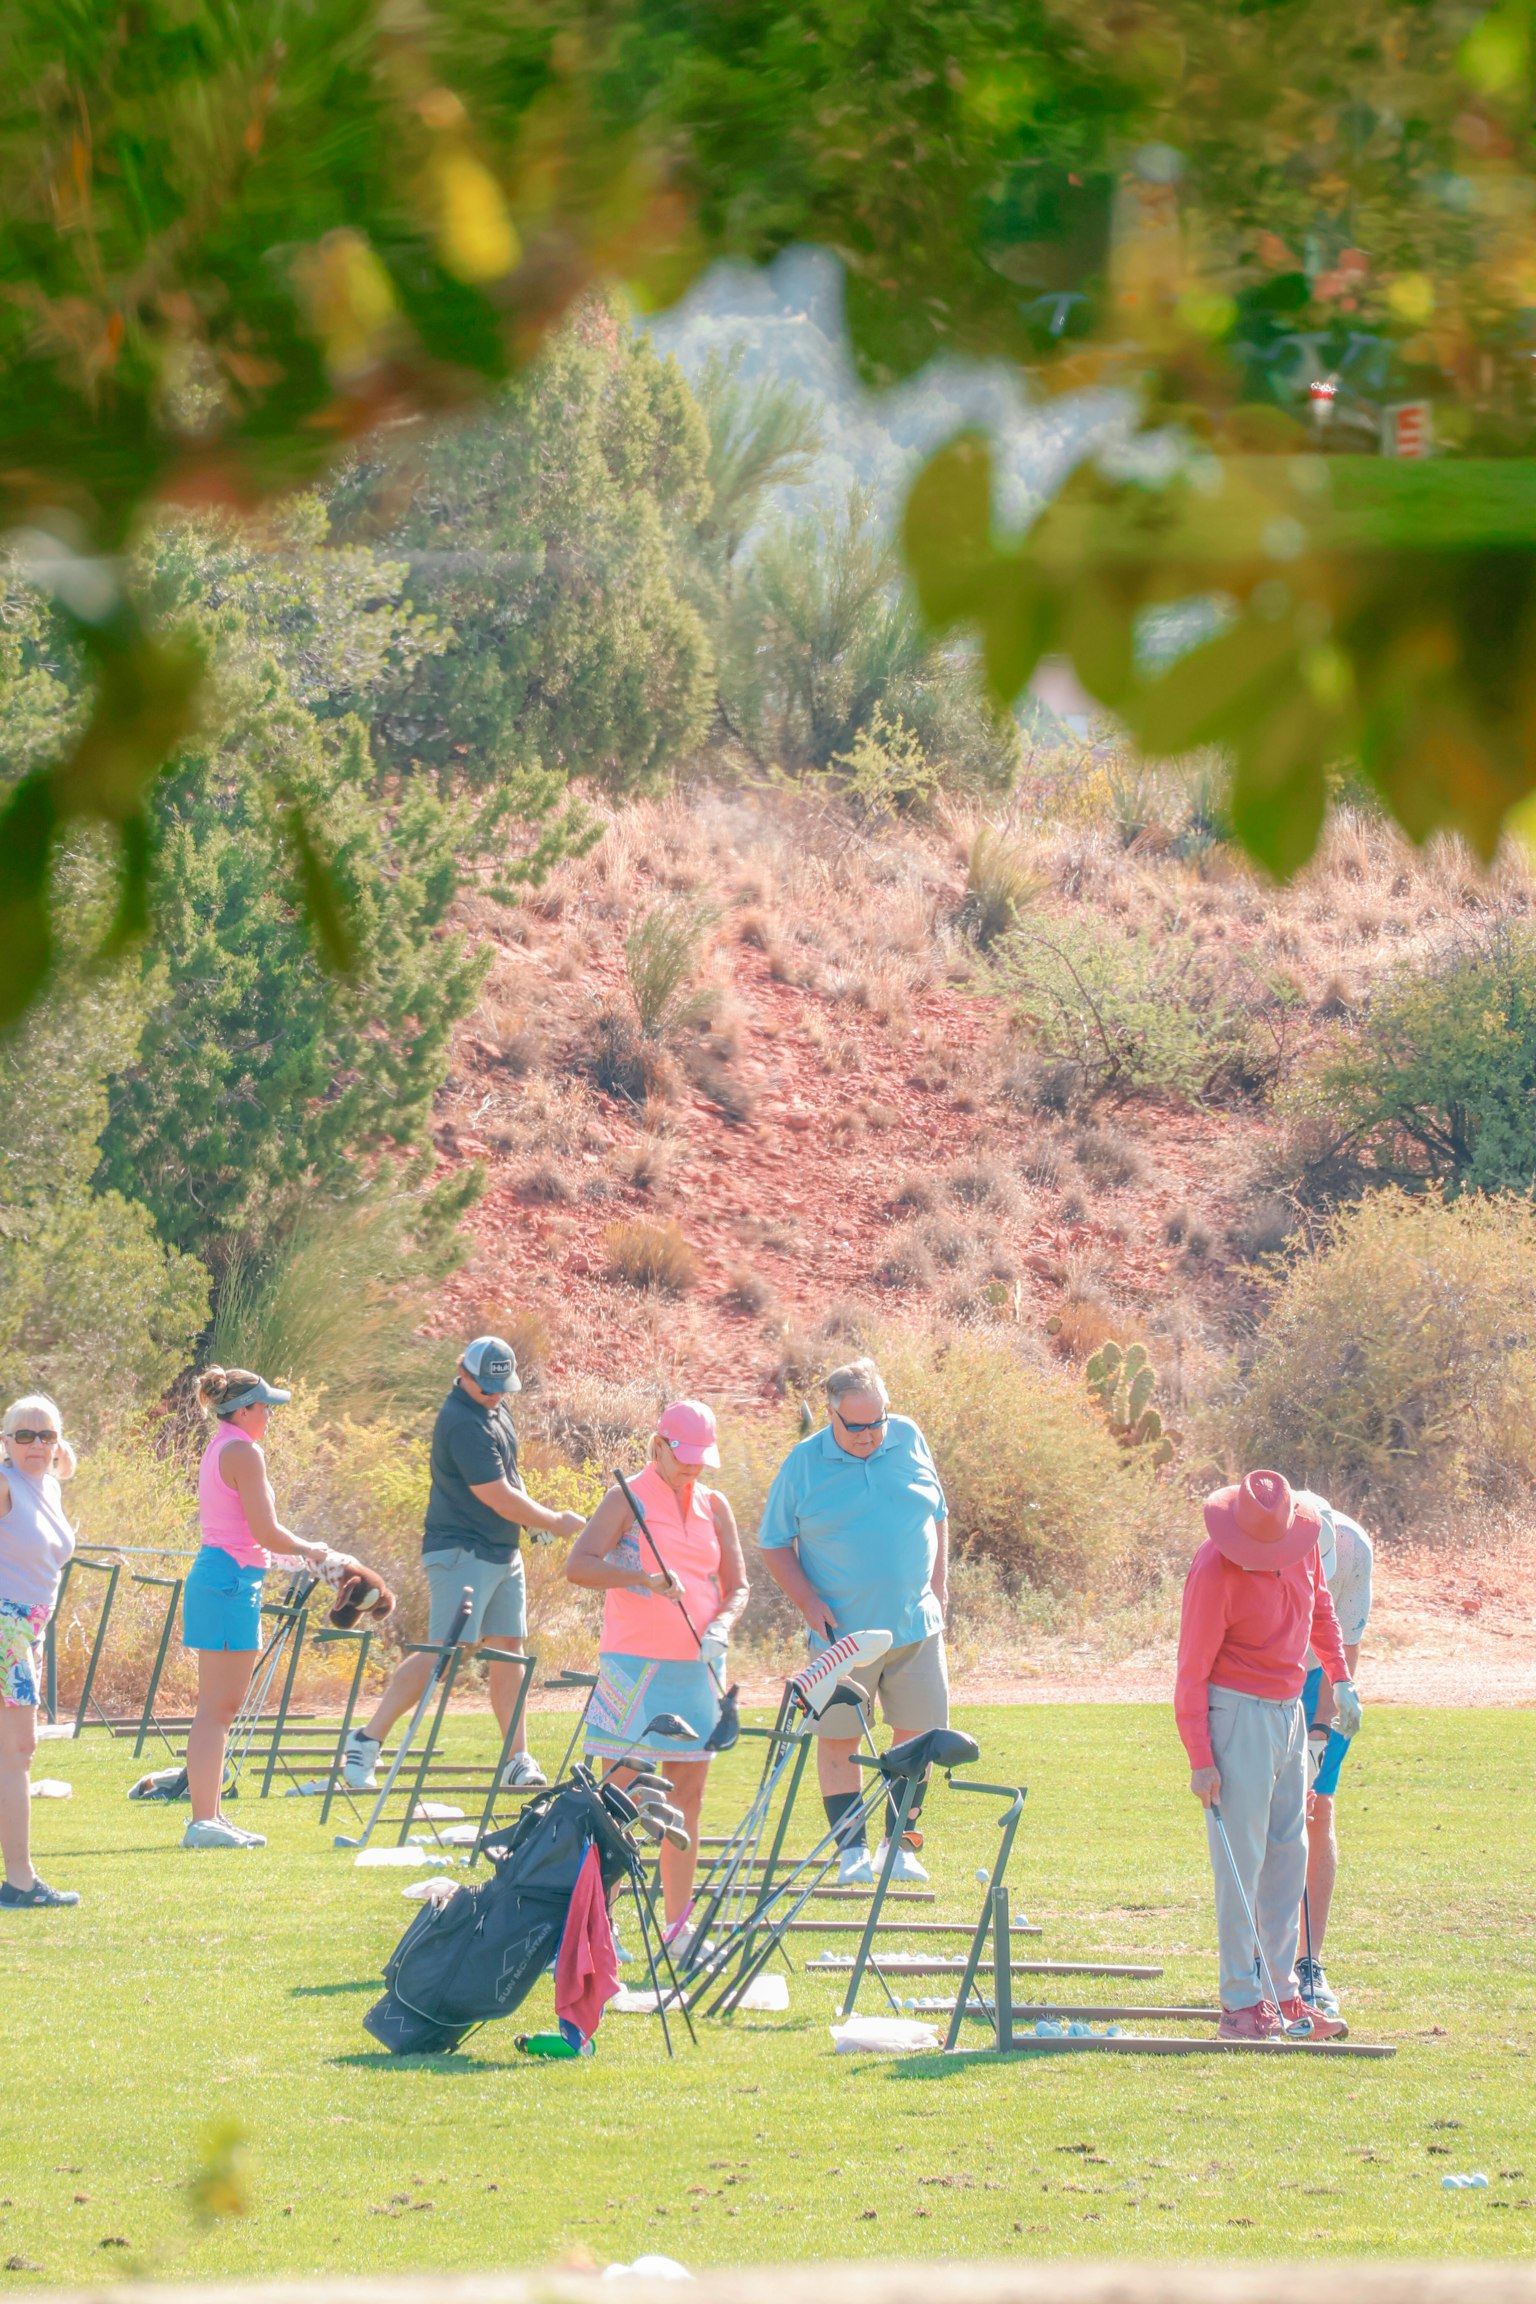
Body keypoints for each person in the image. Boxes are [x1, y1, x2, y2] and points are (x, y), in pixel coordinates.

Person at [342, 1337, 584, 1793]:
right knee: (445, 1653)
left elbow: (511, 1474)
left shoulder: (495, 1408)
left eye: (500, 1386)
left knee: (508, 1649)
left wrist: (532, 1523)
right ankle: (366, 1739)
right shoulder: (459, 1420)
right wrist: (552, 1519)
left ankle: (517, 1759)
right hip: (459, 1550)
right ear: (465, 1374)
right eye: (487, 1385)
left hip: (501, 1549)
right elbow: (493, 1493)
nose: (495, 1394)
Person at [1175, 1469, 1362, 2042]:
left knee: (1288, 1854)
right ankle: (1240, 2004)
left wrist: (1342, 1678)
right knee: (1241, 1863)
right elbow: (1191, 1670)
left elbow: (1323, 1614)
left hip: (1290, 1713)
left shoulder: (1302, 1548)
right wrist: (1200, 1757)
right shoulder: (1213, 1568)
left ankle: (1283, 1996)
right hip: (1236, 1715)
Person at [758, 1357, 949, 1886]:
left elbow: (937, 1514)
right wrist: (807, 1601)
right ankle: (851, 1854)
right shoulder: (803, 1462)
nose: (870, 1435)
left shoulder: (908, 1437)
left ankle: (900, 1847)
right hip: (841, 1637)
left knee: (918, 1738)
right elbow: (774, 1543)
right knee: (839, 1738)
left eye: (877, 1421)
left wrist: (940, 1588)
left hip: (917, 1628)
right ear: (831, 1415)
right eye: (857, 1426)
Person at [566, 1401, 749, 1939]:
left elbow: (736, 1586)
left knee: (685, 1798)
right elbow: (580, 1565)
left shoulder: (716, 1505)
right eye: (684, 1456)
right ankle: (599, 1929)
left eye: (700, 1458)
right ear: (659, 1445)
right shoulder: (625, 1498)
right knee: (616, 1801)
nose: (693, 1468)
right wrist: (643, 1578)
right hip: (631, 1667)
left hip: (697, 1668)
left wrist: (722, 1627)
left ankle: (677, 1925)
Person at [183, 1365, 336, 1850]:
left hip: (228, 1577)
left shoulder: (224, 1445)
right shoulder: (244, 1452)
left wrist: (298, 1556)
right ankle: (203, 1821)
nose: (269, 1413)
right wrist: (315, 1549)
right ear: (242, 1409)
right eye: (264, 1406)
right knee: (218, 1710)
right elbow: (266, 1531)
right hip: (228, 1582)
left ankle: (211, 1817)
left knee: (220, 1709)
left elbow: (256, 1537)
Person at [1292, 1489, 1374, 2017]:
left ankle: (1308, 1963)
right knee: (1264, 1819)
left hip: (1322, 1676)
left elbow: (1342, 1656)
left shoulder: (1353, 1551)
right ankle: (1259, 1961)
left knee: (1316, 1811)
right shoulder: (1253, 1539)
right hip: (1259, 1675)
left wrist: (1319, 1735)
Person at [0, 1395, 81, 1908]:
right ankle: (21, 1880)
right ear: (4, 1441)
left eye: (45, 1435)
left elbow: (65, 1464)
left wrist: (61, 1453)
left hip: (28, 1629)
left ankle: (20, 1879)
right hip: (5, 1627)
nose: (35, 1443)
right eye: (23, 1434)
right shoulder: (5, 1483)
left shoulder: (47, 1481)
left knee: (15, 1753)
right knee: (18, 1752)